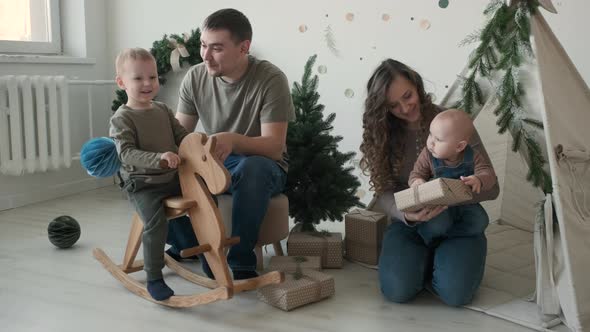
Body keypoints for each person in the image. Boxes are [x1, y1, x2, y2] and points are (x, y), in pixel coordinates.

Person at [359, 59, 499, 306]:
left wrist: (454, 191)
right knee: (397, 291)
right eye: (393, 105)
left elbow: (492, 186)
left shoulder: (452, 123)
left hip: (458, 223)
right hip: (411, 224)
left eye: (408, 95)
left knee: (456, 295)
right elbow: (384, 190)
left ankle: (443, 262)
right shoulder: (383, 134)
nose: (405, 107)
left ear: (416, 84)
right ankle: (423, 261)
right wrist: (407, 216)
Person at [171, 8, 295, 280]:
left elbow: (275, 147)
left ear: (244, 47)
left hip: (265, 166)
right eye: (203, 45)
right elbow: (180, 136)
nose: (205, 55)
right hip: (217, 160)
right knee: (169, 168)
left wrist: (234, 139)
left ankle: (240, 263)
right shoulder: (195, 77)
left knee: (253, 168)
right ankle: (196, 247)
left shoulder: (271, 79)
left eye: (216, 48)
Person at [110, 48, 189, 301]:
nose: (147, 84)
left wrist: (200, 144)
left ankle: (194, 248)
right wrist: (160, 158)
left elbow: (182, 136)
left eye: (152, 77)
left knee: (204, 199)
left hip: (172, 178)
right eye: (138, 78)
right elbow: (127, 154)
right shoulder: (122, 118)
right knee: (155, 223)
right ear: (122, 82)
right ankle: (154, 275)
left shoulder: (163, 110)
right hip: (143, 184)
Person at [408, 109, 497, 246]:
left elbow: (488, 173)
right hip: (439, 205)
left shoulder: (473, 156)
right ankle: (425, 239)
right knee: (438, 225)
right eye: (431, 135)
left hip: (466, 203)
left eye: (438, 140)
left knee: (480, 221)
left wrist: (479, 179)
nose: (431, 142)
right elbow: (416, 173)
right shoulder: (428, 155)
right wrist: (417, 181)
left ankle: (450, 238)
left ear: (459, 146)